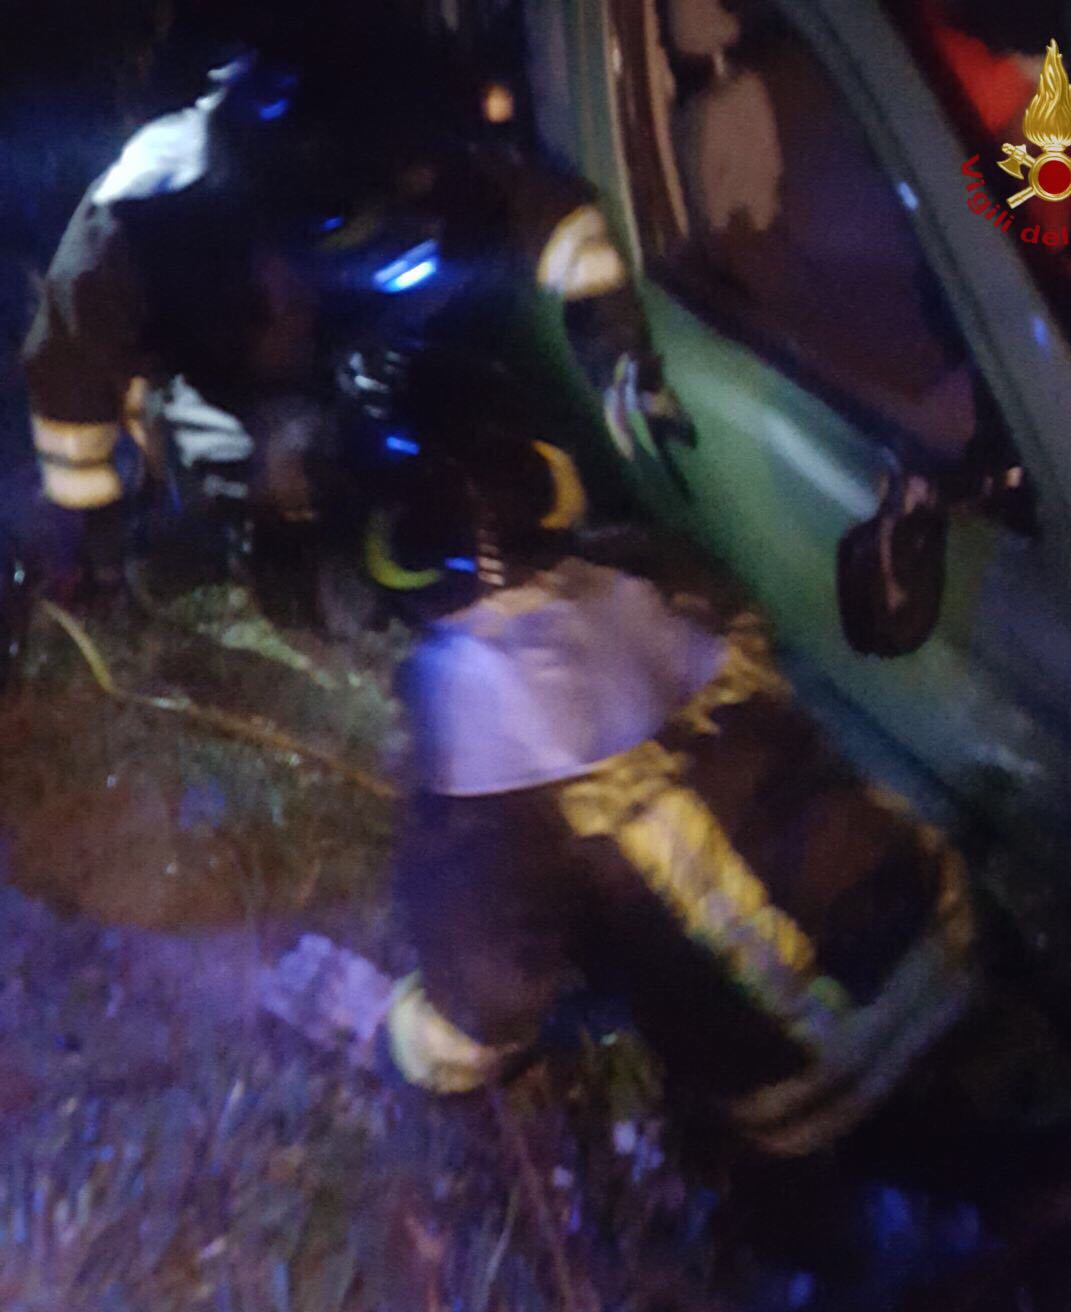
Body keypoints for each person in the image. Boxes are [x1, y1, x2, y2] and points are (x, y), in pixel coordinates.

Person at [380, 435, 978, 1159]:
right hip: (944, 930)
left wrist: (411, 1042)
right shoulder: (655, 572)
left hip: (818, 1073)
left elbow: (489, 999)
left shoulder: (476, 782)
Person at [21, 0, 691, 611]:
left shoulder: (393, 154)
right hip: (205, 382)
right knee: (213, 547)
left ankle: (393, 543)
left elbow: (558, 226)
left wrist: (617, 353)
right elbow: (67, 384)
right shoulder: (143, 220)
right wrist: (99, 544)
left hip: (344, 359)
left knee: (428, 449)